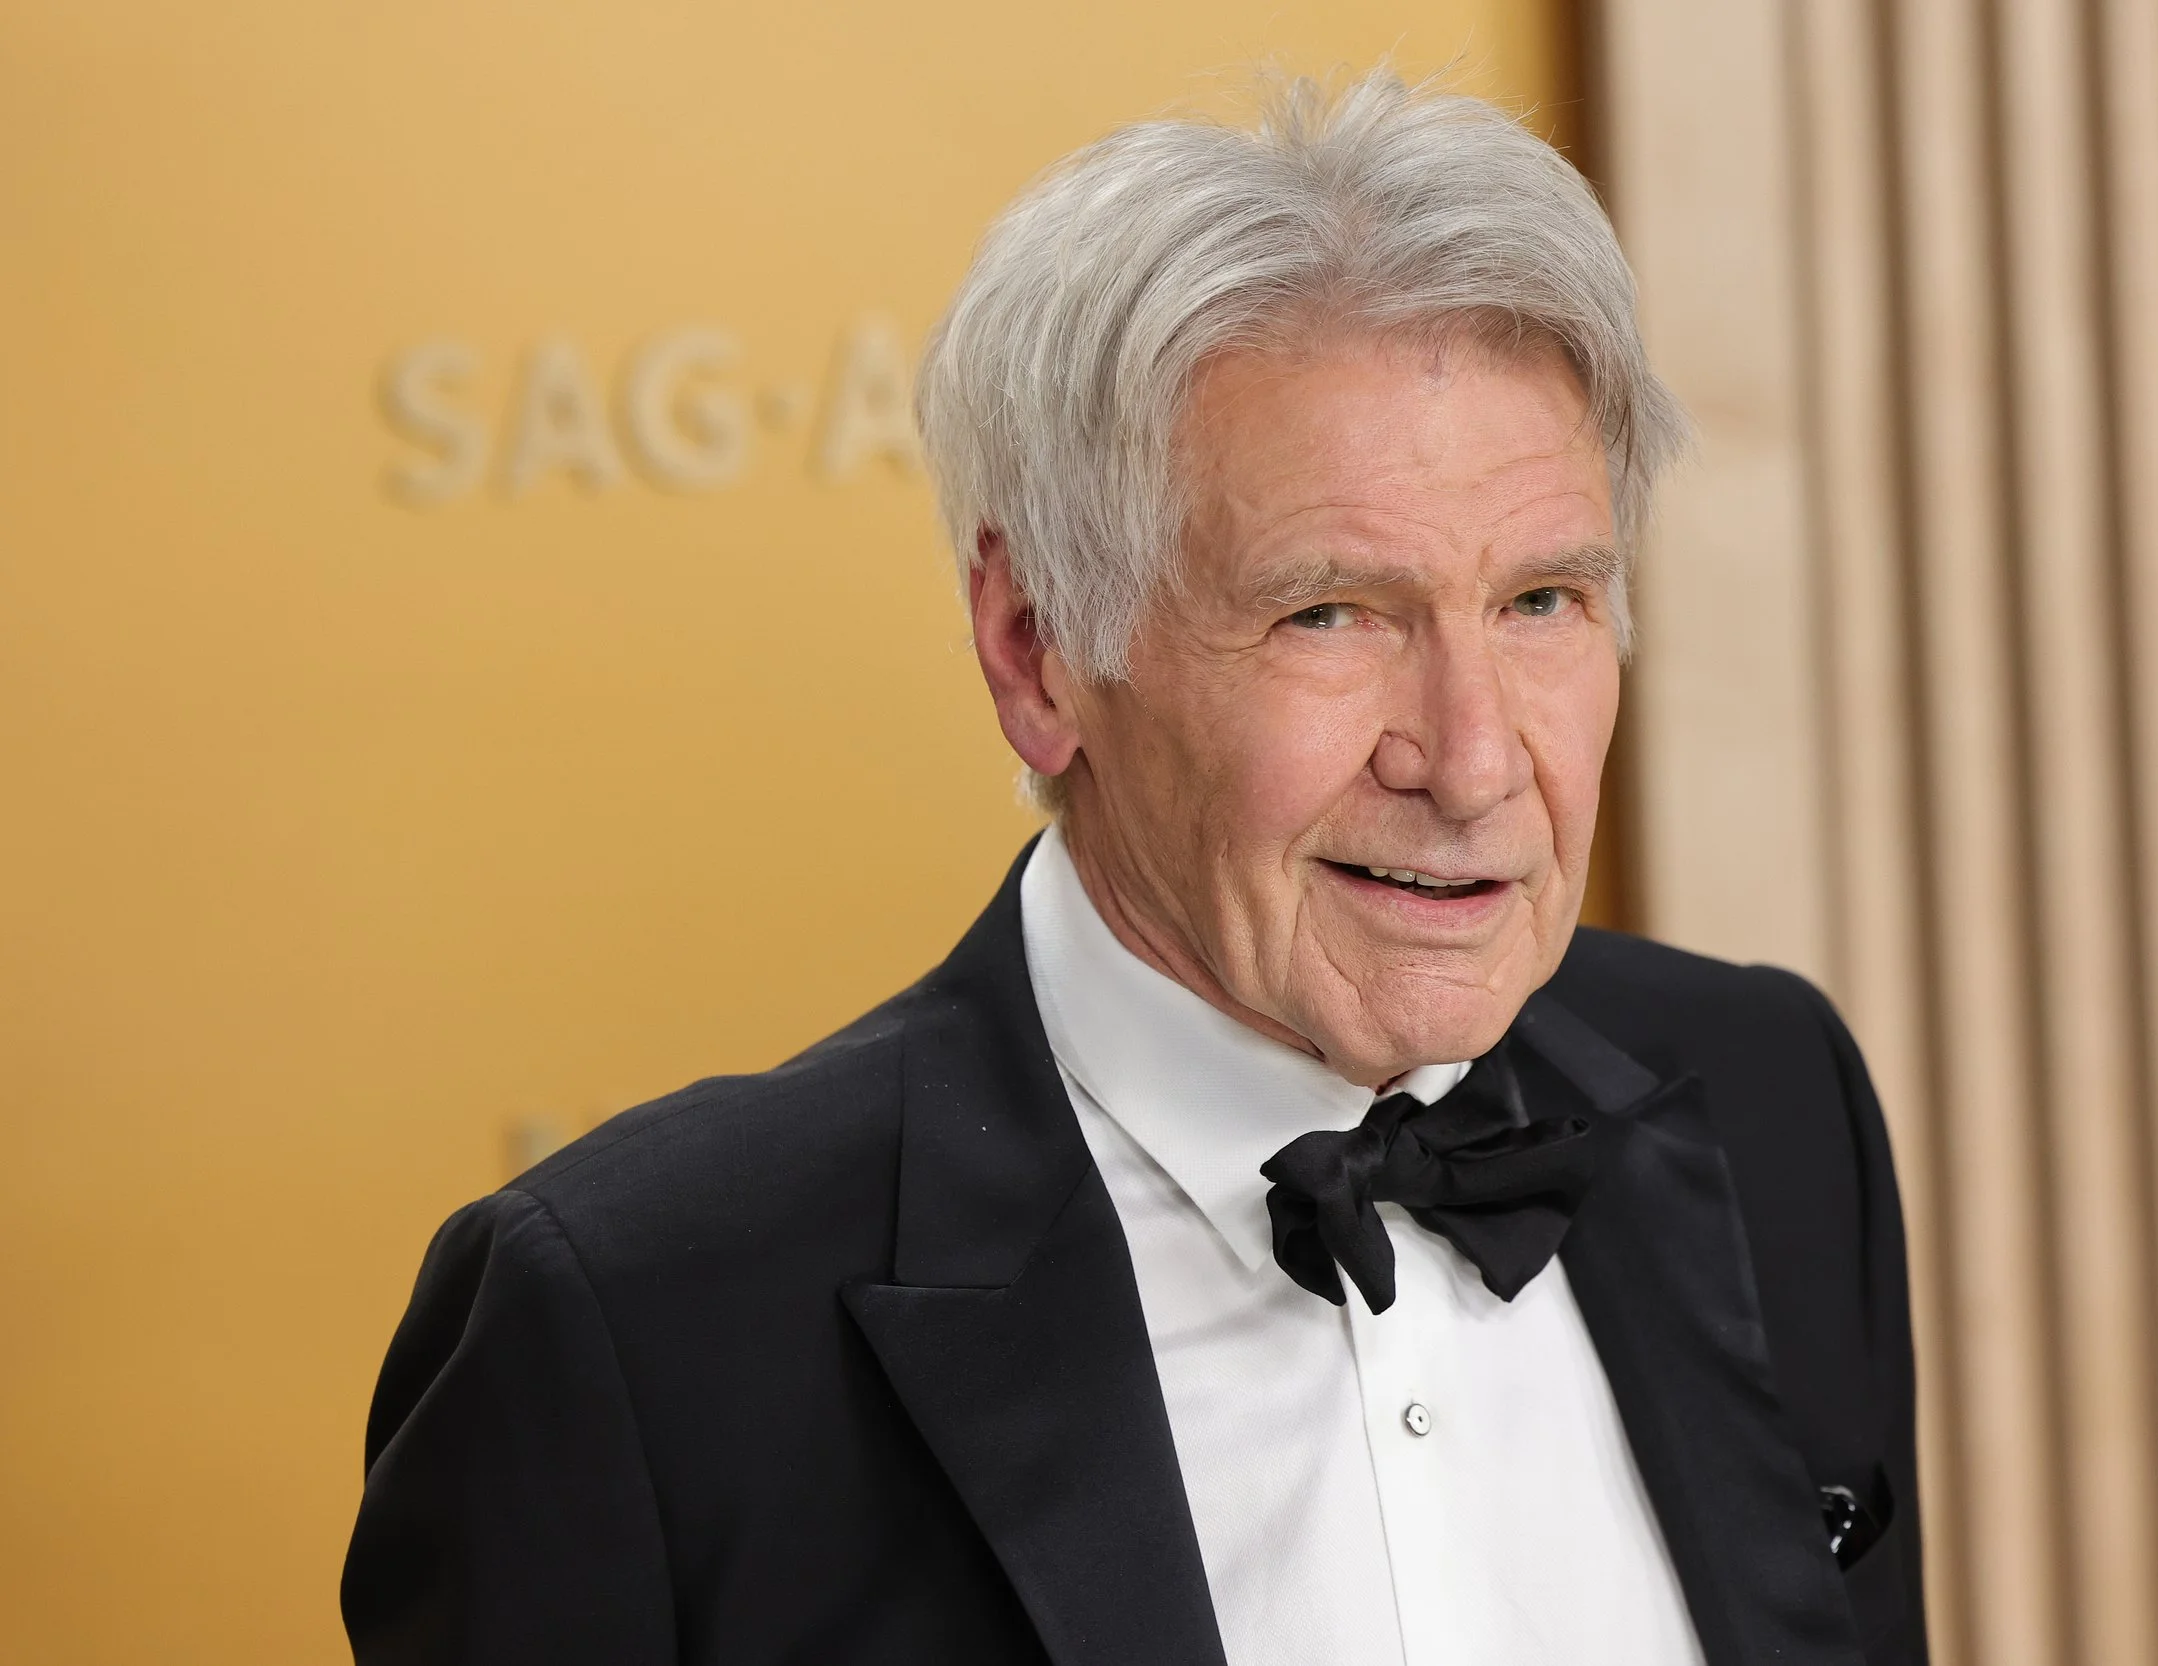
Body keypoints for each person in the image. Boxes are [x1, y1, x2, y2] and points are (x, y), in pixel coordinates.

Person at [342, 71, 1927, 1666]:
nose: (1474, 759)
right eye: (1330, 614)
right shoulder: (631, 1337)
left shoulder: (1770, 1099)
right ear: (1037, 651)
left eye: (1541, 603)